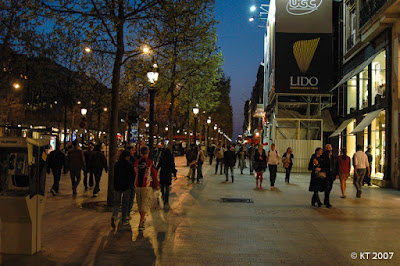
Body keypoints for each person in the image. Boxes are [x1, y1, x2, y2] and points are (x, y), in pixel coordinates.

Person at [134, 146, 160, 231]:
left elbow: (134, 174)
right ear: (147, 152)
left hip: (137, 186)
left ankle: (142, 219)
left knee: (139, 203)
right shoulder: (149, 163)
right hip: (146, 186)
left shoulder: (136, 162)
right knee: (144, 204)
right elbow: (154, 175)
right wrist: (157, 185)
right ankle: (141, 223)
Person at [111, 150, 134, 228]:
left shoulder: (117, 164)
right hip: (126, 187)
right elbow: (132, 176)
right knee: (125, 203)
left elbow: (115, 175)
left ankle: (114, 216)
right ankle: (124, 219)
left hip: (117, 186)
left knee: (117, 203)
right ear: (127, 157)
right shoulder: (129, 164)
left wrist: (114, 185)